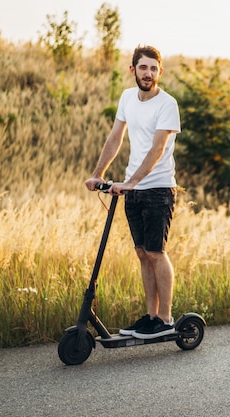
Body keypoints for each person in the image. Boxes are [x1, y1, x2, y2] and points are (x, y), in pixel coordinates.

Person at [85, 45, 181, 340]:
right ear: (133, 70)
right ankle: (150, 317)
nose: (148, 73)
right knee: (142, 254)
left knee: (156, 252)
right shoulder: (127, 98)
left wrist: (131, 182)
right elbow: (115, 137)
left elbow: (157, 149)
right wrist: (98, 174)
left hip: (157, 188)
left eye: (154, 68)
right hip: (134, 190)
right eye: (143, 67)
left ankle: (165, 318)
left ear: (159, 72)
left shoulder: (167, 104)